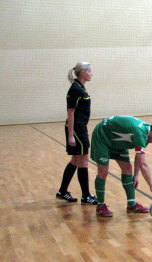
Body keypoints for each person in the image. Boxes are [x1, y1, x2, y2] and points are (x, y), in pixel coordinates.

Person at [90, 116, 152, 217]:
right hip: (103, 137)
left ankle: (131, 205)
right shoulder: (139, 133)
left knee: (128, 168)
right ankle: (100, 206)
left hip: (118, 141)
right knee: (103, 171)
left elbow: (138, 157)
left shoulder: (146, 135)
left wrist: (136, 176)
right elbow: (143, 164)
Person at [56, 62, 98, 205]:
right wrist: (71, 135)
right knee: (83, 162)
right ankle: (86, 196)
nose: (91, 73)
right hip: (76, 129)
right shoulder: (75, 89)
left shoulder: (80, 87)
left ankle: (62, 191)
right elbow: (71, 112)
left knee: (75, 160)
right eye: (90, 71)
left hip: (80, 127)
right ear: (82, 73)